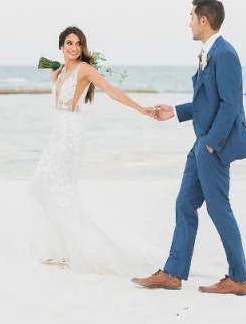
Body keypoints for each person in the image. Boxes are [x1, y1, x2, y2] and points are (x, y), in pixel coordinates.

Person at [131, 0, 246, 295]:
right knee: (184, 203)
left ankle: (239, 279)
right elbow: (208, 104)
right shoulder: (208, 53)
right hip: (201, 142)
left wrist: (212, 146)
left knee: (219, 210)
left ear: (204, 20)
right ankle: (173, 273)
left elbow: (231, 106)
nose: (188, 21)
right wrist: (175, 112)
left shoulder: (225, 54)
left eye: (191, 16)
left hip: (212, 146)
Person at [30, 25, 154, 275]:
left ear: (83, 47)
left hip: (71, 134)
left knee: (60, 189)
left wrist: (140, 108)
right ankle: (64, 247)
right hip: (59, 131)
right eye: (69, 43)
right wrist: (54, 79)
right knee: (41, 184)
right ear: (61, 47)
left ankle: (78, 251)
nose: (74, 48)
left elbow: (111, 91)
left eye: (78, 43)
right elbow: (59, 101)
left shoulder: (85, 69)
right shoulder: (62, 70)